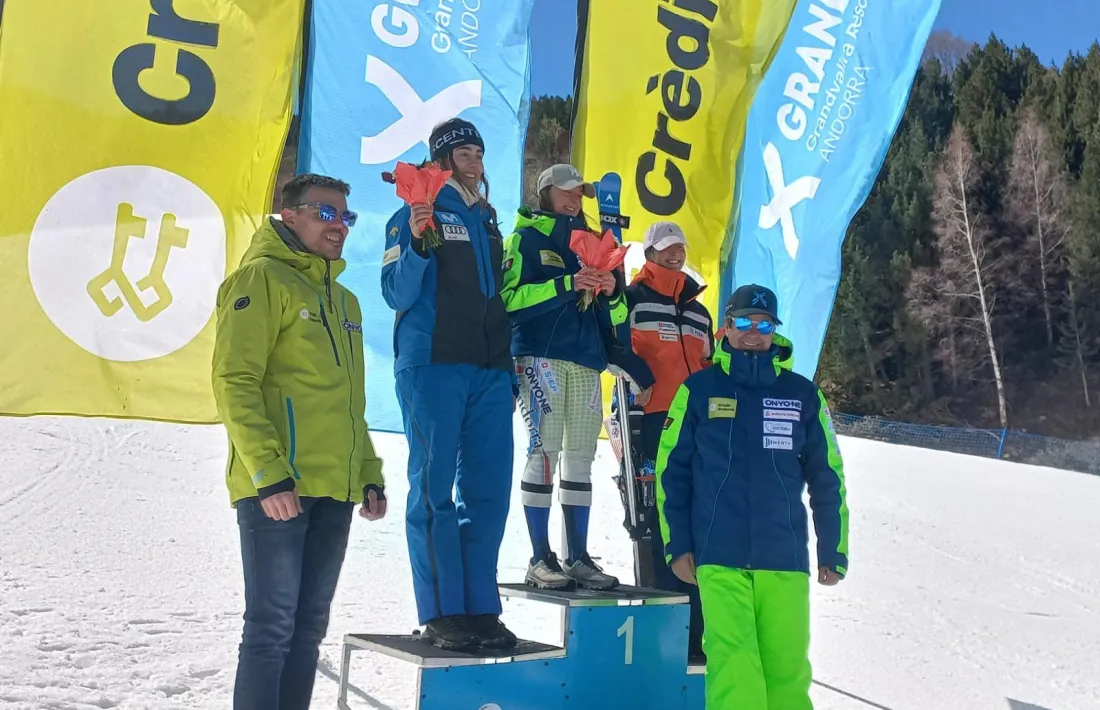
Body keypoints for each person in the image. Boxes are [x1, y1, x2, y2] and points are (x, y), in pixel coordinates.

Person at [212, 173, 388, 710]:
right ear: (289, 216)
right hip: (277, 487)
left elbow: (348, 402)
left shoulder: (346, 301)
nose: (339, 227)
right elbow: (234, 381)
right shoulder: (260, 279)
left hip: (333, 485)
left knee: (310, 627)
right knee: (271, 627)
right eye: (325, 213)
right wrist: (268, 472)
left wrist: (368, 472)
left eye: (345, 217)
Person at [655, 284, 850, 710]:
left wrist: (832, 548)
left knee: (786, 671)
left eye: (763, 324)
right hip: (718, 554)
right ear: (727, 326)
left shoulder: (802, 395)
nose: (753, 332)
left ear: (774, 331)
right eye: (744, 322)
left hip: (783, 555)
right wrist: (678, 544)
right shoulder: (699, 390)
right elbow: (673, 472)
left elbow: (827, 476)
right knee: (734, 665)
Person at [380, 118, 517, 653]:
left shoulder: (487, 222)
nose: (473, 157)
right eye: (461, 149)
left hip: (487, 370)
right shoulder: (416, 212)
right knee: (434, 490)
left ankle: (479, 607)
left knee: (487, 494)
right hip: (432, 363)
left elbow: (496, 300)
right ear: (440, 158)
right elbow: (394, 292)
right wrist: (416, 241)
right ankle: (441, 611)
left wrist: (506, 369)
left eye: (479, 149)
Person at [501, 163, 654, 591]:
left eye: (580, 193)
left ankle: (579, 557)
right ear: (546, 192)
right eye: (567, 191)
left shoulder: (595, 242)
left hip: (588, 361)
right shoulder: (525, 238)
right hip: (540, 357)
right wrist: (567, 283)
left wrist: (611, 293)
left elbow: (619, 318)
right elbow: (509, 301)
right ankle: (539, 557)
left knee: (582, 459)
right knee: (543, 453)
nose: (575, 199)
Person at [622, 221, 713, 660]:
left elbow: (711, 365)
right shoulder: (633, 299)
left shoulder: (699, 310)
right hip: (655, 420)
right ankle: (666, 632)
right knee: (658, 518)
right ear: (651, 254)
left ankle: (699, 631)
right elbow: (616, 350)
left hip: (700, 425)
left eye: (681, 246)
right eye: (667, 248)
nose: (676, 253)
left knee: (700, 520)